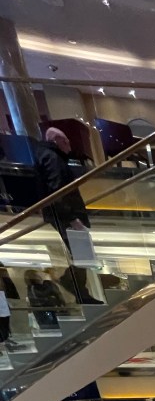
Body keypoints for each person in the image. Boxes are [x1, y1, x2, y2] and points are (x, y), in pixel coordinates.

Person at [34, 128, 102, 304]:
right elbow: (57, 190)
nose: (69, 146)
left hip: (62, 213)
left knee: (81, 252)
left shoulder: (48, 156)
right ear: (56, 140)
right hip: (65, 215)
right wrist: (72, 218)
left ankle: (79, 290)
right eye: (66, 141)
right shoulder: (52, 158)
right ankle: (78, 289)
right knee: (82, 252)